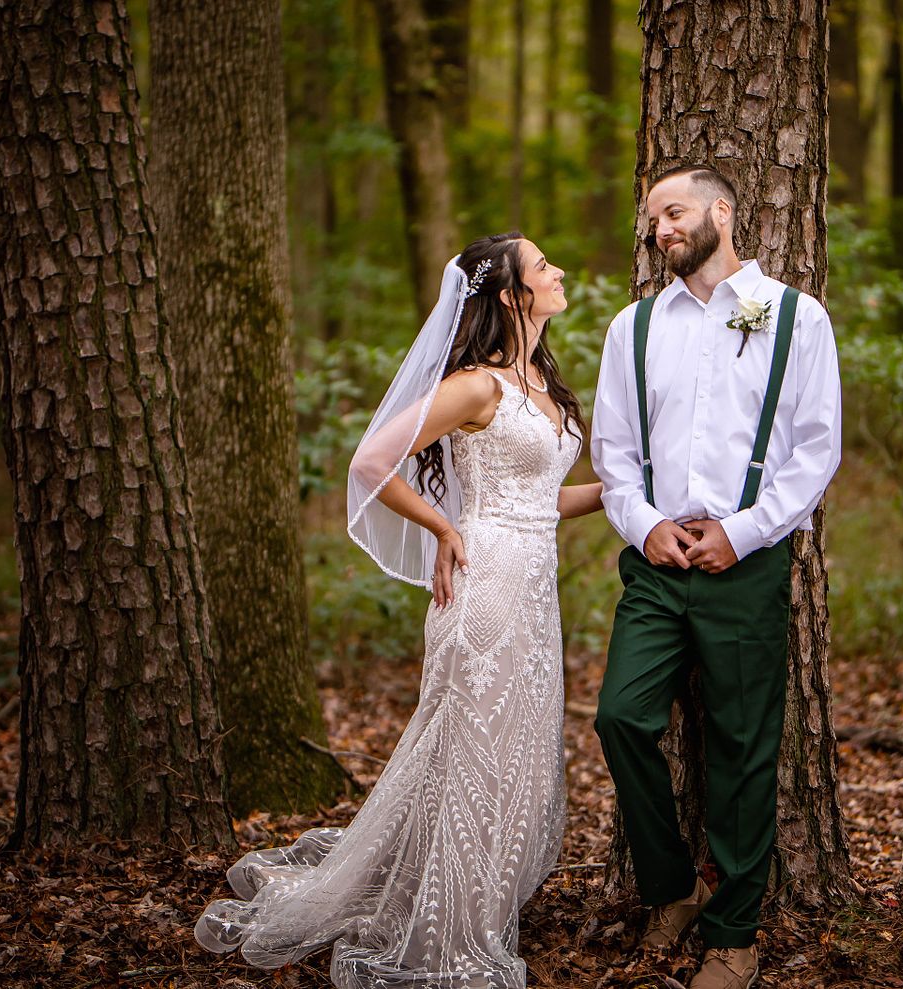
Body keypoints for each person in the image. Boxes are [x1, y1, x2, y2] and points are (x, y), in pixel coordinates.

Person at [195, 233, 604, 988]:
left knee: (513, 751)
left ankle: (478, 894)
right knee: (469, 751)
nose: (559, 273)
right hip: (480, 583)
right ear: (511, 295)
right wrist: (445, 526)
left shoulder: (541, 381)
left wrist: (619, 495)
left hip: (535, 590)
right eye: (544, 266)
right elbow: (371, 461)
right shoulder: (477, 385)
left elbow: (545, 502)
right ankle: (450, 923)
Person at [591, 165, 841, 989]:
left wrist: (743, 532)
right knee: (622, 717)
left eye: (674, 211)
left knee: (742, 746)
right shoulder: (633, 327)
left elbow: (815, 448)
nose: (660, 228)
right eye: (652, 218)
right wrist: (647, 524)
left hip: (746, 562)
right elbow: (615, 455)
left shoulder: (796, 317)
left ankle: (735, 932)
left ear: (722, 211)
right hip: (658, 565)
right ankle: (671, 888)